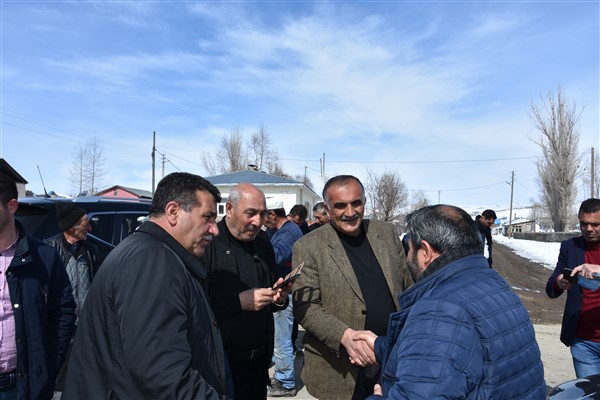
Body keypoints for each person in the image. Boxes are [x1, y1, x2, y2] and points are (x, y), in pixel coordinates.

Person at [62, 172, 227, 399]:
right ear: (173, 211)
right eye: (207, 217)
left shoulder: (152, 253)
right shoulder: (152, 260)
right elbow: (162, 371)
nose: (215, 229)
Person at [355, 204, 546, 399]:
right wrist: (382, 347)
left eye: (410, 248)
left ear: (426, 251)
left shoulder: (440, 309)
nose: (408, 256)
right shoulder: (493, 282)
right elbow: (460, 354)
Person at [292, 175, 412, 400]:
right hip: (340, 369)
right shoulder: (308, 246)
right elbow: (306, 307)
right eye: (340, 205)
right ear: (327, 209)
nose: (350, 212)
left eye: (356, 203)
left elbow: (408, 288)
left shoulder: (386, 233)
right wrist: (345, 336)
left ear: (364, 201)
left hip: (391, 359)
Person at [204, 183, 292, 399]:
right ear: (229, 208)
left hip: (259, 364)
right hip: (222, 366)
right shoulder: (207, 244)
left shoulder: (263, 243)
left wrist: (279, 298)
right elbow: (196, 305)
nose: (258, 221)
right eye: (251, 213)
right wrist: (238, 302)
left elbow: (271, 296)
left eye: (262, 214)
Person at [0, 172, 76, 399]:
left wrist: (46, 369)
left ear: (11, 206)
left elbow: (63, 313)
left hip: (21, 388)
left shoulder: (44, 257)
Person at [46, 203, 102, 391]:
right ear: (71, 226)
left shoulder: (91, 251)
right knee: (58, 379)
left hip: (84, 325)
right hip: (60, 326)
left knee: (82, 376)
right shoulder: (50, 250)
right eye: (86, 224)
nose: (90, 228)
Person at [546, 198, 600, 378]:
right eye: (584, 223)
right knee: (589, 391)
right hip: (583, 343)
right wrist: (559, 282)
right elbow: (551, 288)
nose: (589, 229)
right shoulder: (570, 247)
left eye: (595, 224)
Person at [264, 200, 304, 397]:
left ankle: (286, 382)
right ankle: (283, 375)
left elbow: (276, 256)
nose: (262, 221)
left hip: (285, 290)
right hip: (287, 289)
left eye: (264, 215)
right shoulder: (284, 230)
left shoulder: (287, 233)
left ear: (273, 214)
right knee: (282, 336)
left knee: (281, 339)